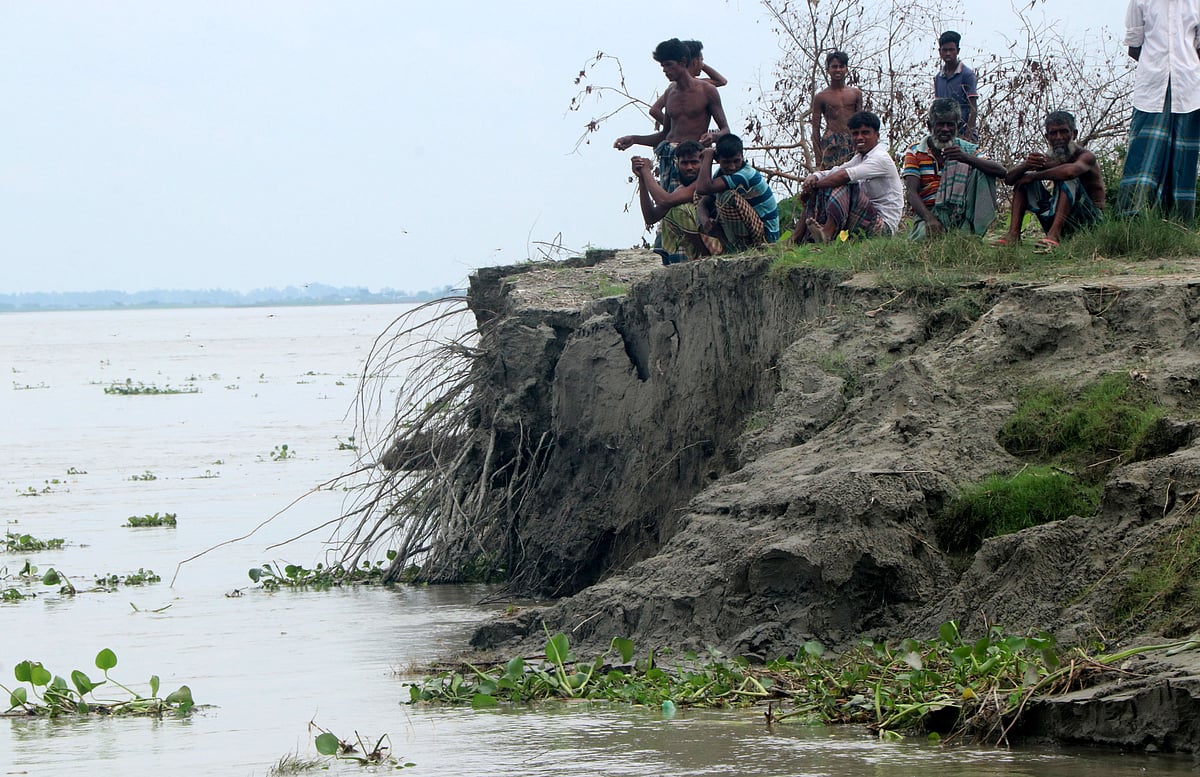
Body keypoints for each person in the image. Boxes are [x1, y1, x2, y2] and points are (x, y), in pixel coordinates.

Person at [1116, 0, 1200, 224]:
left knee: (1183, 156)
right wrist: (1157, 66)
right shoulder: (1141, 1)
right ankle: (1132, 222)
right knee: (1143, 153)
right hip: (1152, 88)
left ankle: (1178, 224)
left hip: (1188, 89)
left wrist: (1183, 67)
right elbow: (1134, 47)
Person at [614, 38, 730, 193]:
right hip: (668, 158)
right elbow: (665, 135)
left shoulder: (706, 90)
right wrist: (634, 139)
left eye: (668, 64)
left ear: (683, 62)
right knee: (667, 203)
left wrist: (713, 137)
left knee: (691, 201)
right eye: (663, 66)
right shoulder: (670, 92)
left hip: (692, 160)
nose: (665, 70)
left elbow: (725, 130)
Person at [996, 111, 1106, 251]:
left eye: (1063, 132)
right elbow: (1009, 179)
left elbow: (1070, 172)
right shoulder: (1049, 159)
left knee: (1067, 177)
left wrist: (1034, 176)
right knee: (1024, 180)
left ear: (1074, 134)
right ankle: (1013, 236)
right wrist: (1026, 166)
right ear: (1047, 137)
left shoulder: (1086, 156)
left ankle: (1054, 235)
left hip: (1088, 221)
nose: (1058, 137)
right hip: (1063, 220)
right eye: (1053, 133)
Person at [902, 98, 1006, 239]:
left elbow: (1001, 171)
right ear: (930, 126)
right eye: (940, 124)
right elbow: (911, 192)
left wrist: (965, 158)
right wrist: (930, 219)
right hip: (929, 212)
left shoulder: (967, 150)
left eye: (950, 125)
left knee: (983, 170)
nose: (945, 129)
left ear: (958, 126)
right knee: (924, 239)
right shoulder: (915, 151)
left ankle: (973, 231)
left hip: (961, 214)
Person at [792, 111, 903, 243]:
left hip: (883, 227)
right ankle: (796, 239)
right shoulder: (859, 158)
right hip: (864, 218)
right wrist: (814, 177)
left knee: (844, 183)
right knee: (824, 184)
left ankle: (827, 233)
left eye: (865, 133)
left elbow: (844, 176)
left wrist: (815, 185)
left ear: (877, 136)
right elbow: (835, 171)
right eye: (855, 133)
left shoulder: (880, 158)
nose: (859, 137)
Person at [631, 141, 723, 263]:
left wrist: (647, 171)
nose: (689, 168)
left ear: (703, 163)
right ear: (677, 163)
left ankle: (705, 255)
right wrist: (642, 177)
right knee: (672, 211)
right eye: (684, 163)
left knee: (678, 210)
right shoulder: (680, 190)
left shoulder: (703, 185)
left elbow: (663, 200)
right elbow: (651, 217)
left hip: (720, 244)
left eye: (694, 162)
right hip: (704, 247)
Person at [694, 134, 781, 252]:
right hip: (746, 226)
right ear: (718, 160)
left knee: (727, 197)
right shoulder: (720, 174)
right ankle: (724, 247)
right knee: (699, 196)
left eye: (736, 161)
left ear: (742, 157)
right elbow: (702, 198)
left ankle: (741, 248)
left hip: (765, 235)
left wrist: (708, 157)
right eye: (726, 162)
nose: (732, 167)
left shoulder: (745, 174)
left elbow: (702, 187)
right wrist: (706, 221)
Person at [649, 40, 727, 126]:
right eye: (701, 60)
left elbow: (722, 81)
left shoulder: (701, 85)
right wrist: (673, 128)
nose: (702, 65)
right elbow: (654, 110)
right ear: (695, 61)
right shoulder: (676, 87)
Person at [810, 51, 864, 170]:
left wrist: (863, 147)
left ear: (846, 69)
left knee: (854, 175)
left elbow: (861, 123)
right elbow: (815, 129)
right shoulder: (821, 97)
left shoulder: (856, 94)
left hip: (852, 141)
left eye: (841, 66)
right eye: (834, 67)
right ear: (828, 70)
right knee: (832, 176)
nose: (838, 70)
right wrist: (819, 161)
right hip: (831, 142)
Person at [934, 31, 979, 142]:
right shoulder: (939, 78)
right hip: (945, 134)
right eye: (945, 50)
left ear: (957, 51)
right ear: (940, 52)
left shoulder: (967, 75)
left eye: (951, 50)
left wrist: (968, 135)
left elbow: (973, 108)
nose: (948, 53)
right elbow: (937, 109)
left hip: (963, 133)